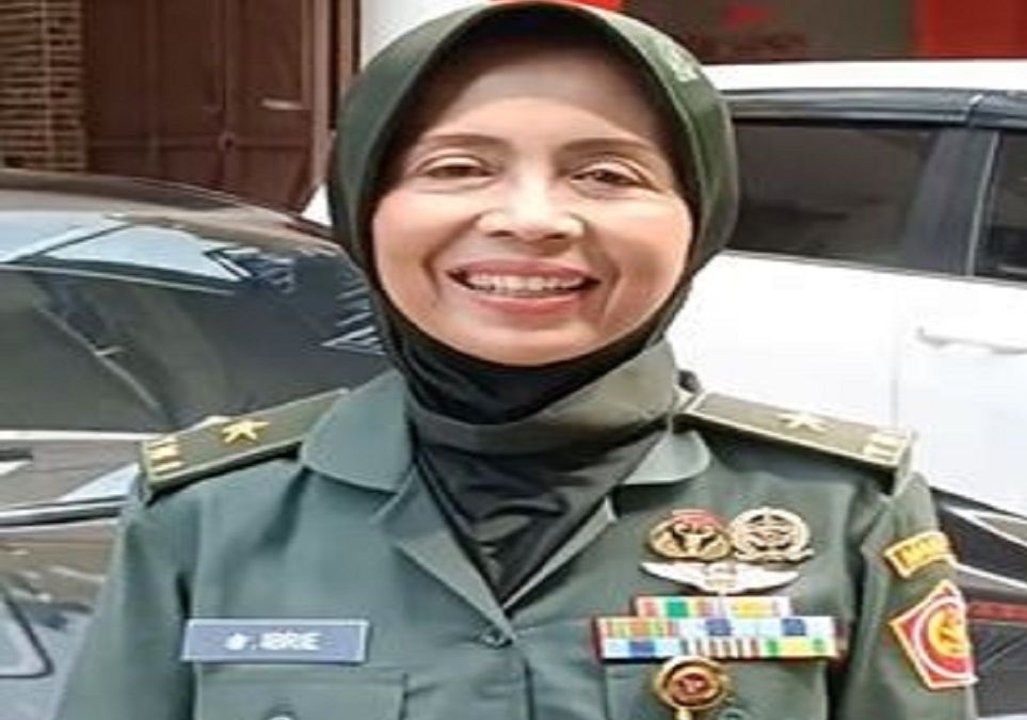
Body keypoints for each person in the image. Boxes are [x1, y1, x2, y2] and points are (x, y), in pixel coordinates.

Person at [55, 3, 977, 718]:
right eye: (457, 167)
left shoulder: (839, 508)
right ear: (367, 207)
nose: (532, 219)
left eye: (606, 174)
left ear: (699, 217)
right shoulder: (211, 514)